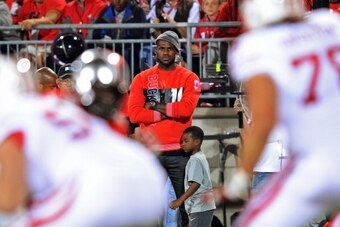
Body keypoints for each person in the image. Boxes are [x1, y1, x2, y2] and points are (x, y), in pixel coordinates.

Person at [210, 1, 340, 226]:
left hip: (311, 166)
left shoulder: (256, 47)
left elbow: (263, 123)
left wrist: (238, 181)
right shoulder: (329, 23)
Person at [0, 52, 166, 226]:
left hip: (94, 189)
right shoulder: (61, 107)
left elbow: (9, 201)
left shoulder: (14, 118)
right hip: (147, 175)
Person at [128, 30, 201, 227]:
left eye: (170, 49)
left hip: (181, 152)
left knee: (187, 208)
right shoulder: (142, 79)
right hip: (152, 153)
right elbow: (134, 114)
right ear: (156, 51)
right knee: (149, 208)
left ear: (177, 52)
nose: (166, 53)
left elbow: (185, 110)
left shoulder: (189, 77)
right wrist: (168, 112)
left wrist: (153, 107)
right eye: (162, 48)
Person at [170, 126, 216, 227]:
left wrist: (180, 200)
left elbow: (196, 183)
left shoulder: (195, 160)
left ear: (197, 142)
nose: (182, 144)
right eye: (182, 141)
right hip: (203, 207)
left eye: (186, 141)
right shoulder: (200, 156)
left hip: (200, 206)